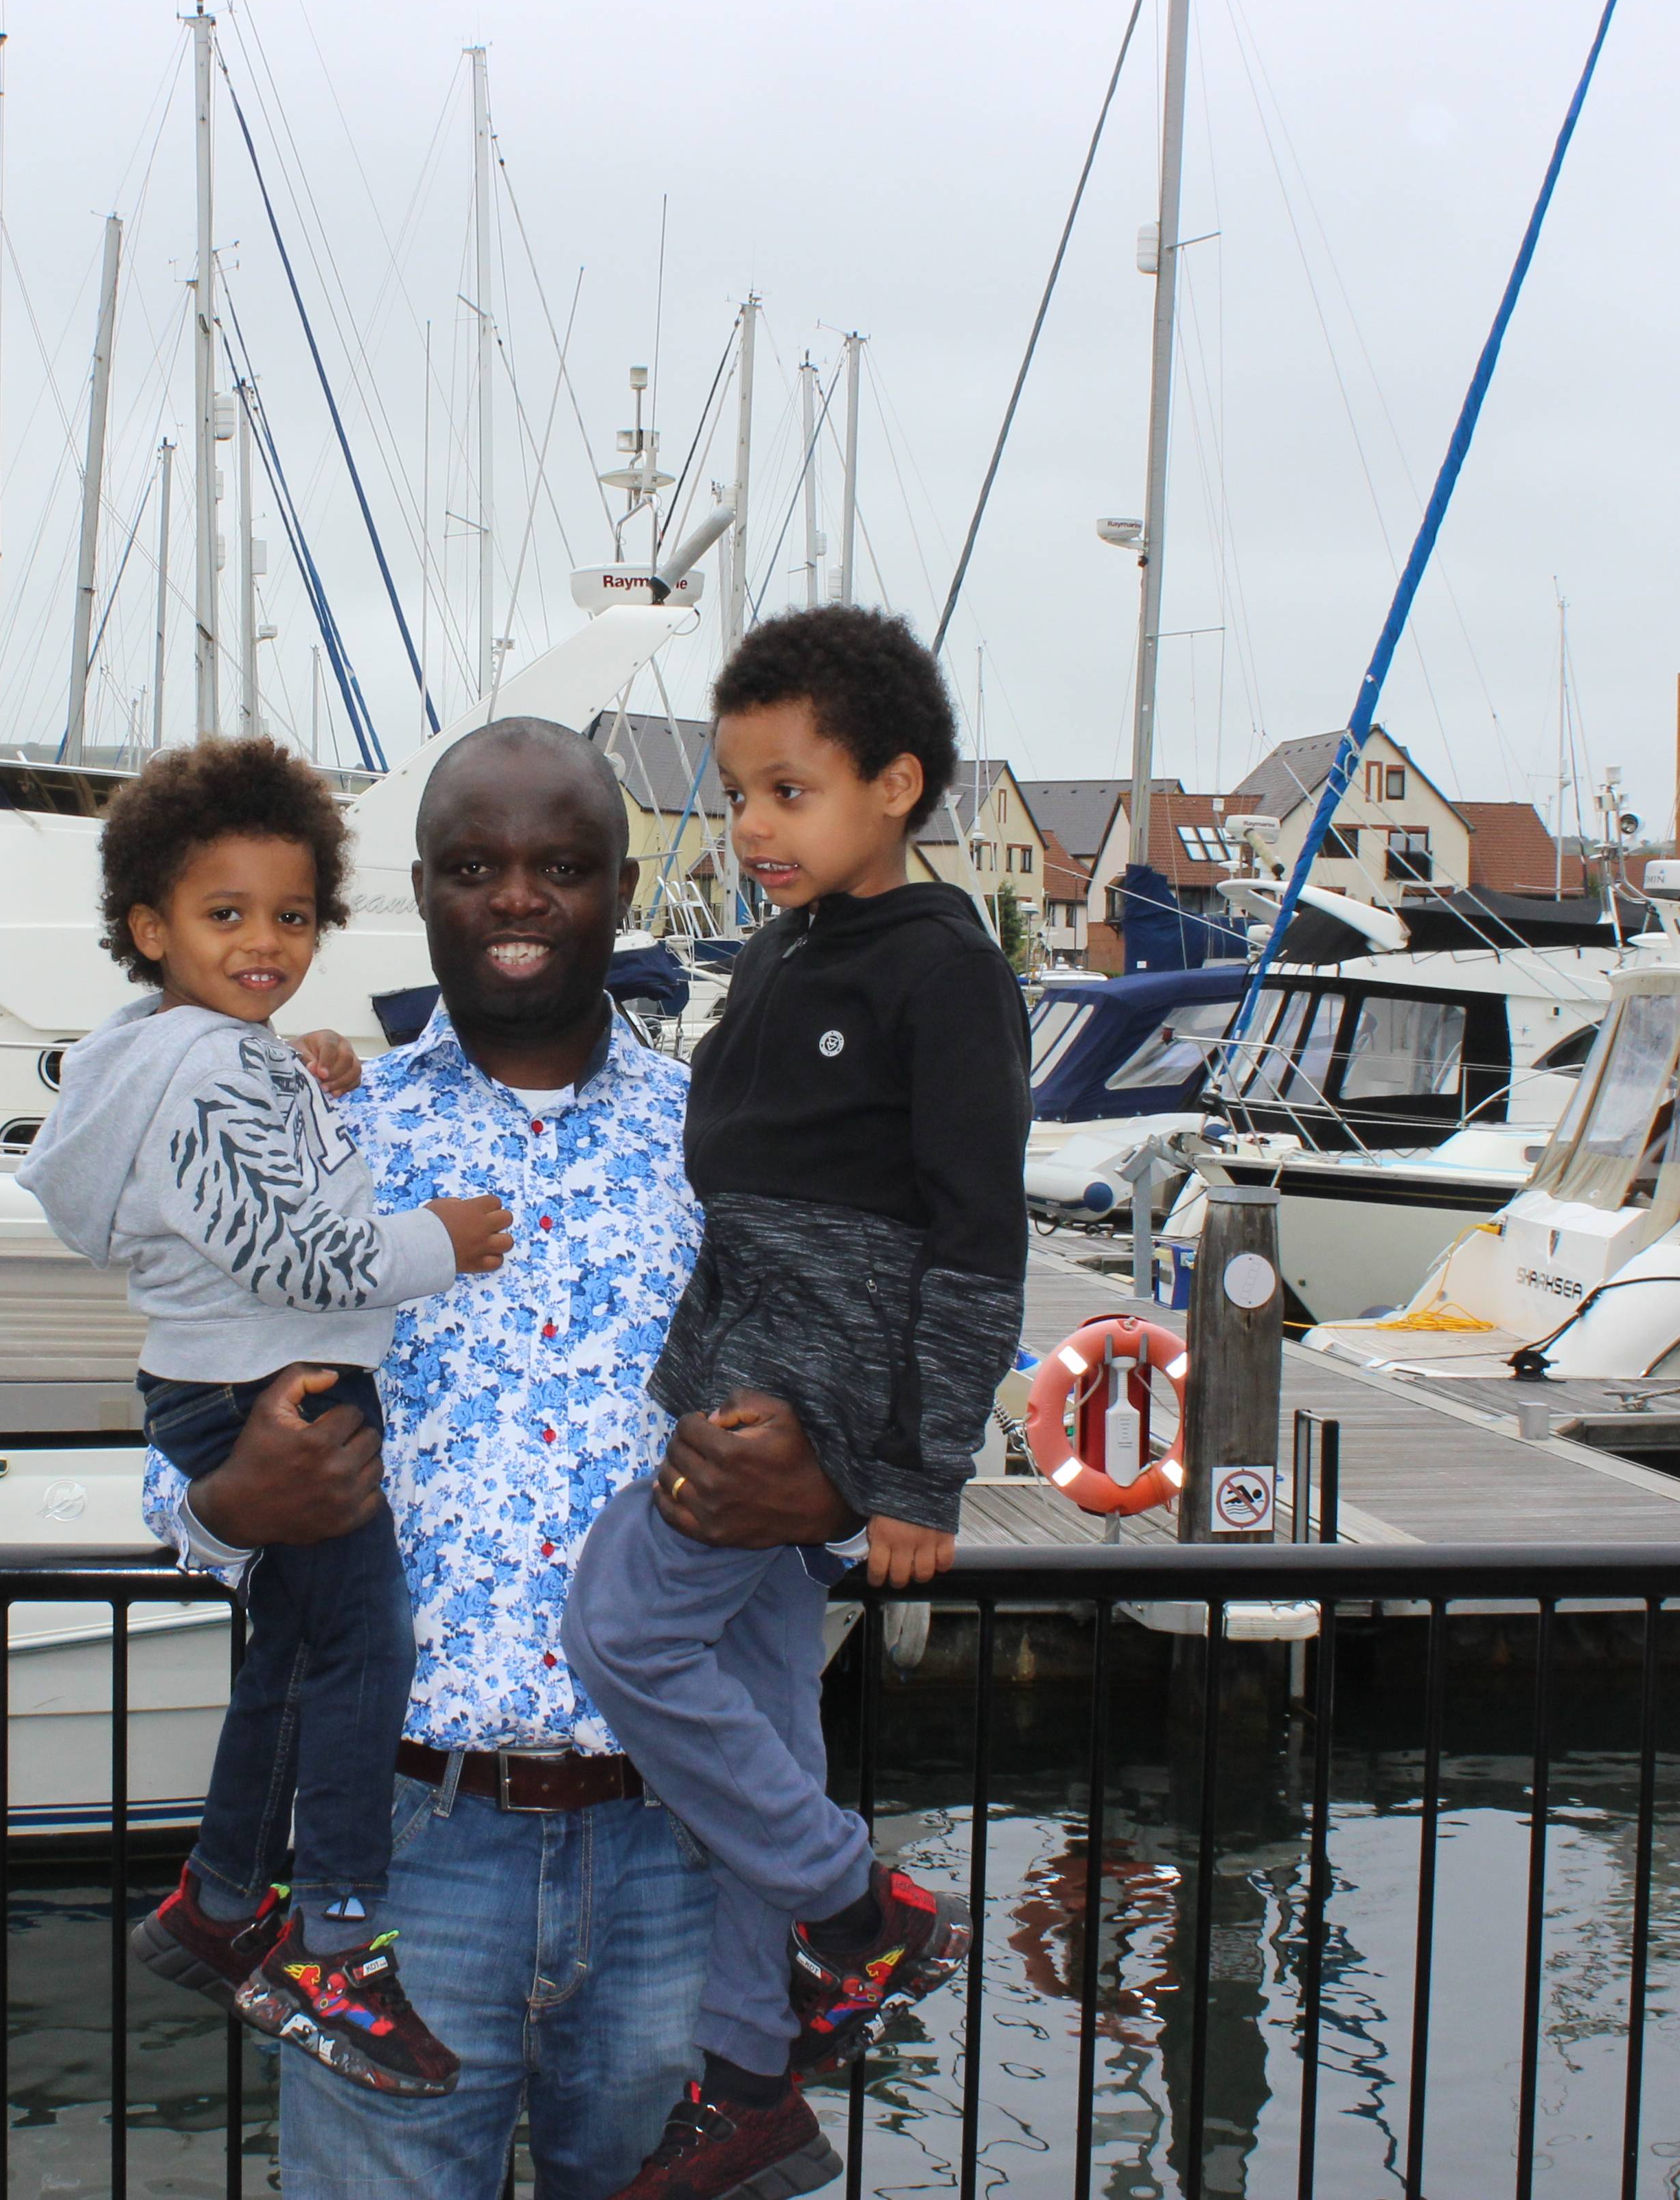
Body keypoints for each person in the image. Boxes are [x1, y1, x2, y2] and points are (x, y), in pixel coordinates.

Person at [146, 714, 839, 2200]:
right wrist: (225, 1503)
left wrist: (828, 1496)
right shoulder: (320, 1136)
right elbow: (191, 1418)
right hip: (399, 1856)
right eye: (474, 867)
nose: (517, 897)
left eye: (561, 867)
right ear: (422, 890)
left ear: (622, 890)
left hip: (683, 1844)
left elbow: (860, 1402)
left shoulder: (733, 1143)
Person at [562, 606, 1032, 2200]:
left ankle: (862, 1913)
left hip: (811, 1394)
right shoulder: (781, 950)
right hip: (736, 1362)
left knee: (623, 1632)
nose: (753, 827)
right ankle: (751, 2082)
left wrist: (919, 1479)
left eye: (790, 792)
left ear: (895, 787)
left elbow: (976, 1243)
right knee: (764, 1717)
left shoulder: (946, 970)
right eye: (738, 794)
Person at [23, 735, 513, 2098]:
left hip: (216, 1382)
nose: (265, 944)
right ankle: (335, 1944)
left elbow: (234, 1172)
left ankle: (223, 1898)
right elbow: (306, 1257)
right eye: (226, 914)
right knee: (366, 1647)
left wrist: (299, 1075)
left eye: (292, 917)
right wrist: (443, 1240)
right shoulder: (216, 1070)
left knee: (293, 1651)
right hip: (277, 1385)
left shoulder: (161, 1053)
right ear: (151, 927)